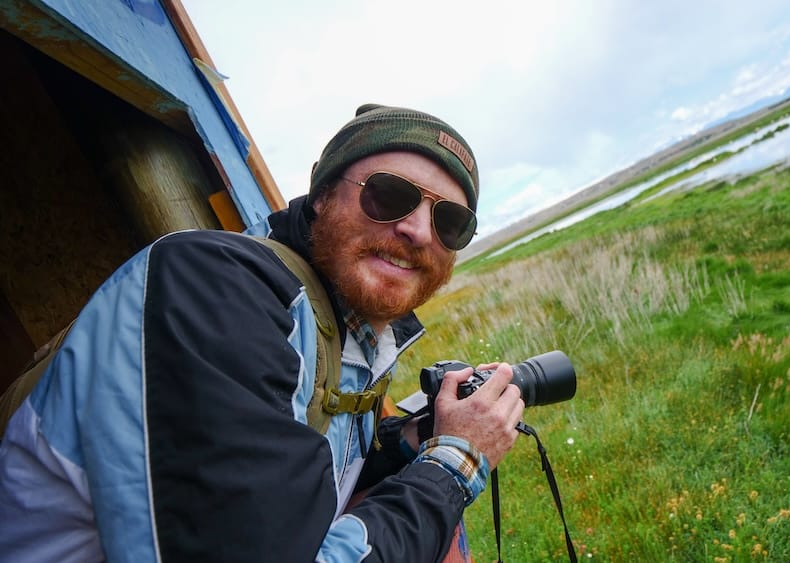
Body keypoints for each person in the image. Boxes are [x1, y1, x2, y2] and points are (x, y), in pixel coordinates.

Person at [0, 104, 525, 562]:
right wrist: (456, 461)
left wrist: (411, 441)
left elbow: (303, 484)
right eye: (389, 197)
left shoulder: (350, 331)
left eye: (449, 222)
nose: (416, 230)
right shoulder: (215, 289)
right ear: (322, 193)